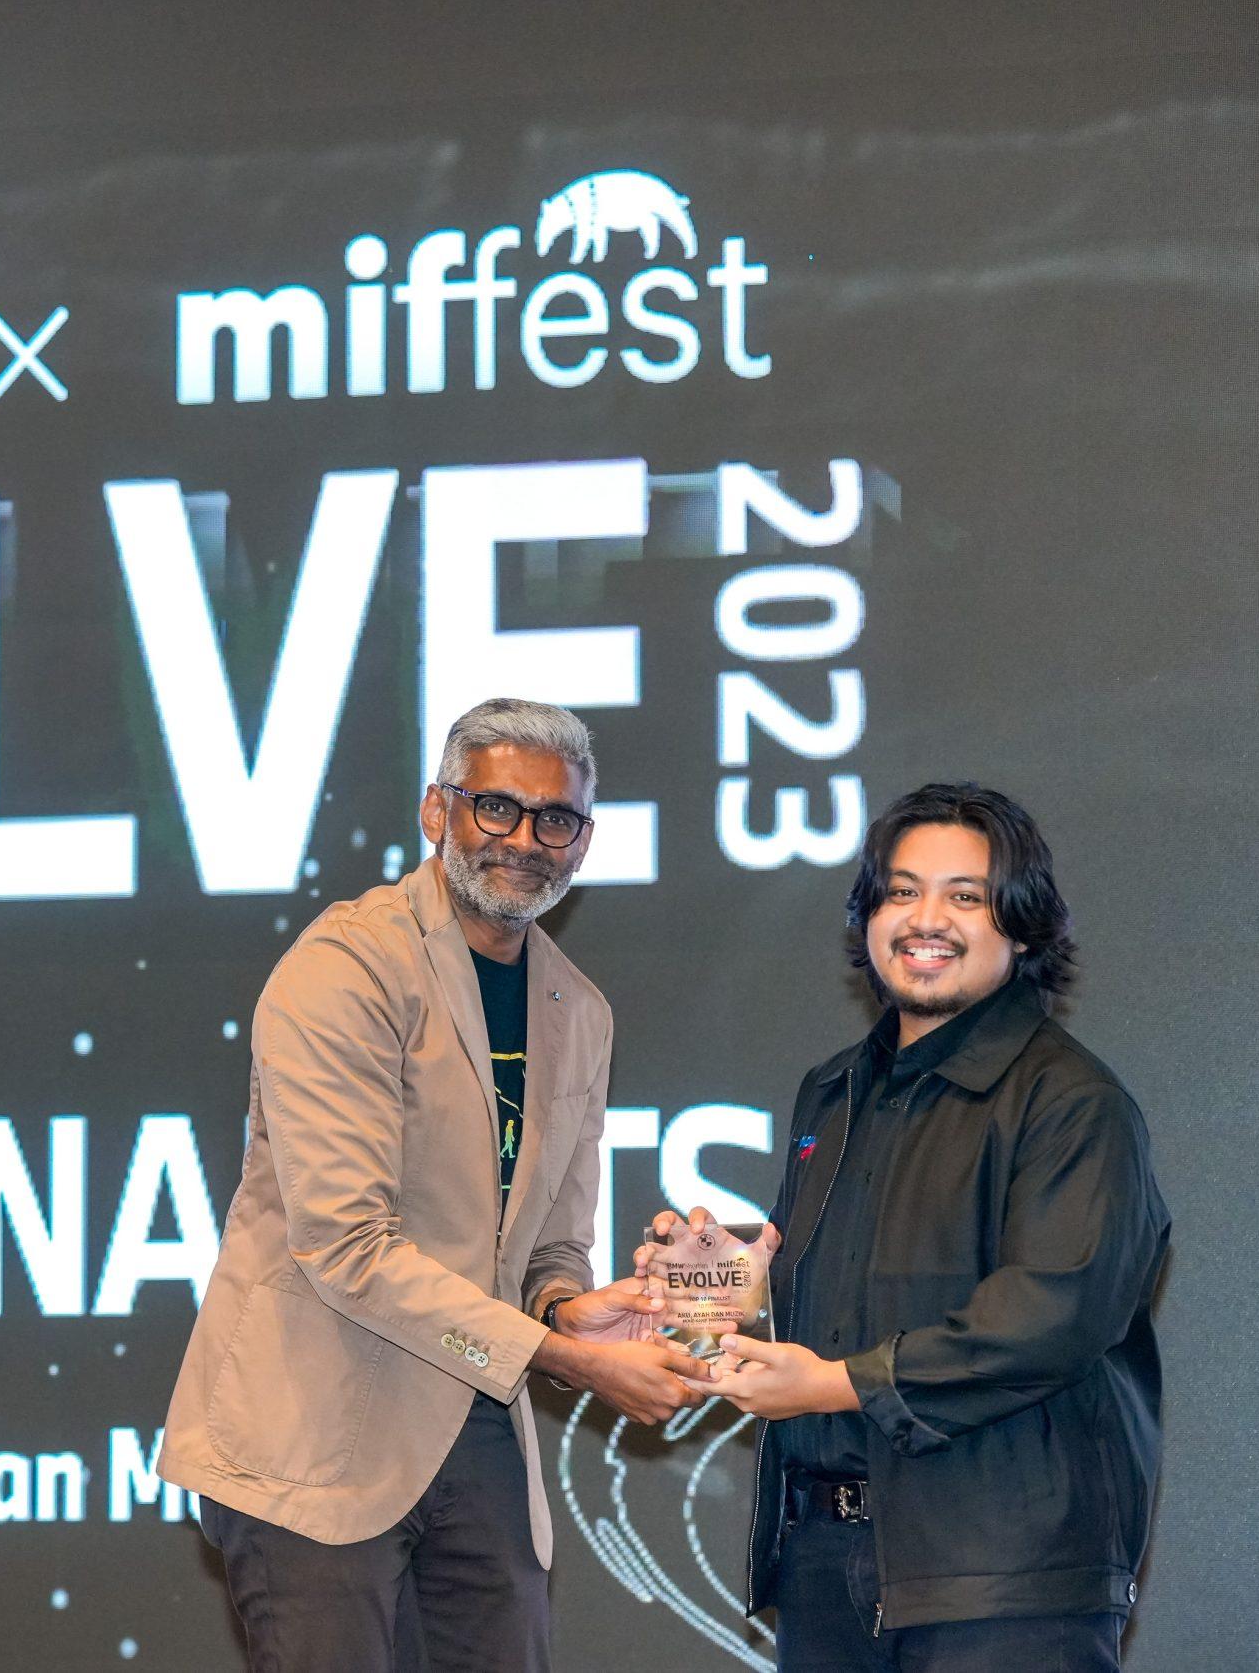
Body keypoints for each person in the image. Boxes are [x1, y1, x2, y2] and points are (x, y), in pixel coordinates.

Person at [159, 698, 712, 1672]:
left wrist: (572, 1309)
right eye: (496, 807)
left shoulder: (579, 1012)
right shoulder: (347, 968)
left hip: (477, 1426)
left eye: (556, 819)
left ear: (583, 841)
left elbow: (549, 1248)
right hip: (316, 1430)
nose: (525, 840)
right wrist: (559, 1354)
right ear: (436, 811)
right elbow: (346, 1247)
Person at [647, 782, 1169, 1671]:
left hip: (1004, 1578)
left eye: (965, 895)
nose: (926, 918)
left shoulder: (1074, 1102)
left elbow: (1051, 1317)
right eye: (900, 891)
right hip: (824, 1559)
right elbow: (841, 1289)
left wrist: (832, 1383)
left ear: (1023, 926)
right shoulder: (835, 1089)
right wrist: (724, 1292)